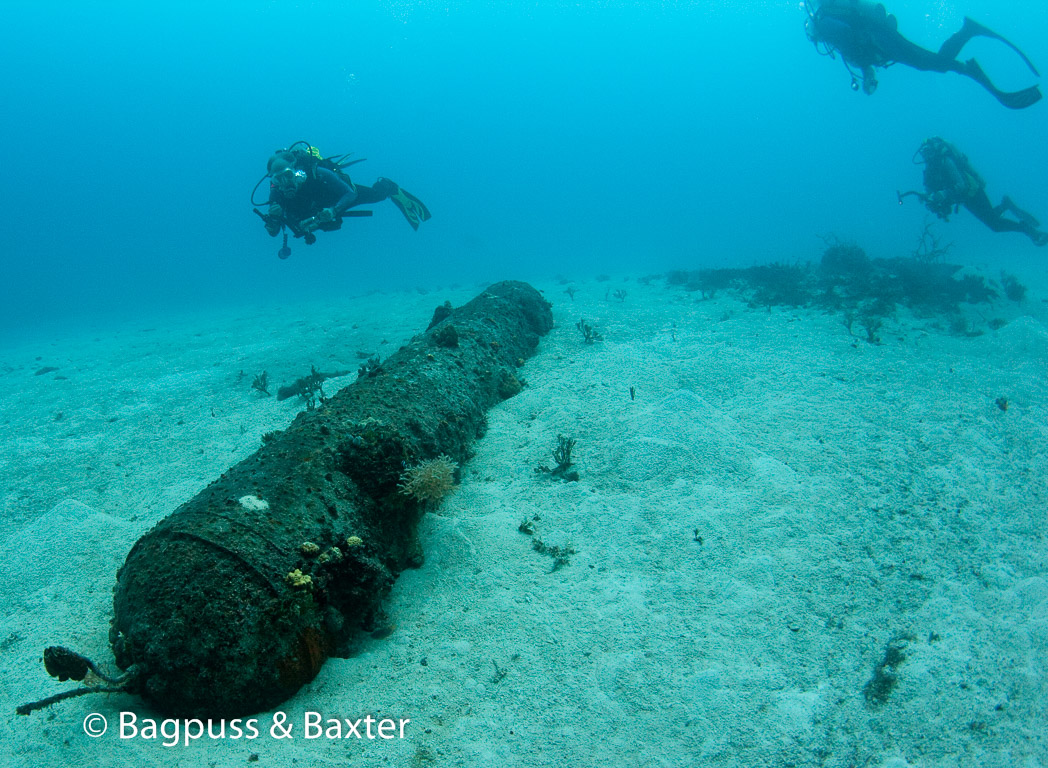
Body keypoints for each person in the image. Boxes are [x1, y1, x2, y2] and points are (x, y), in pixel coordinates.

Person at [804, 0, 1041, 109]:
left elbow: (851, 38)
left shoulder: (823, 25)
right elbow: (858, 52)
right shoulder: (829, 24)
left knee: (931, 63)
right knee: (933, 63)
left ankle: (968, 32)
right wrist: (868, 76)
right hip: (882, 39)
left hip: (881, 39)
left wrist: (864, 59)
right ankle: (965, 66)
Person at [257, 143, 431, 247]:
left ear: (296, 172)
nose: (285, 183)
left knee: (376, 196)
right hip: (318, 214)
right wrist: (273, 221)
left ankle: (389, 187)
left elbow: (350, 193)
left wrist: (334, 210)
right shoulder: (276, 194)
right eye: (278, 179)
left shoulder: (317, 173)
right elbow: (274, 232)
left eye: (287, 175)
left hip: (337, 197)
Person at [898, 137, 1048, 246]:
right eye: (924, 153)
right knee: (991, 218)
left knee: (994, 225)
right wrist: (926, 197)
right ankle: (1005, 205)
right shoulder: (929, 169)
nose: (926, 156)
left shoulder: (946, 162)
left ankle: (1028, 230)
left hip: (973, 192)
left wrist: (944, 194)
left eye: (928, 152)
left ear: (934, 151)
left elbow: (961, 184)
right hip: (963, 199)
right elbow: (929, 188)